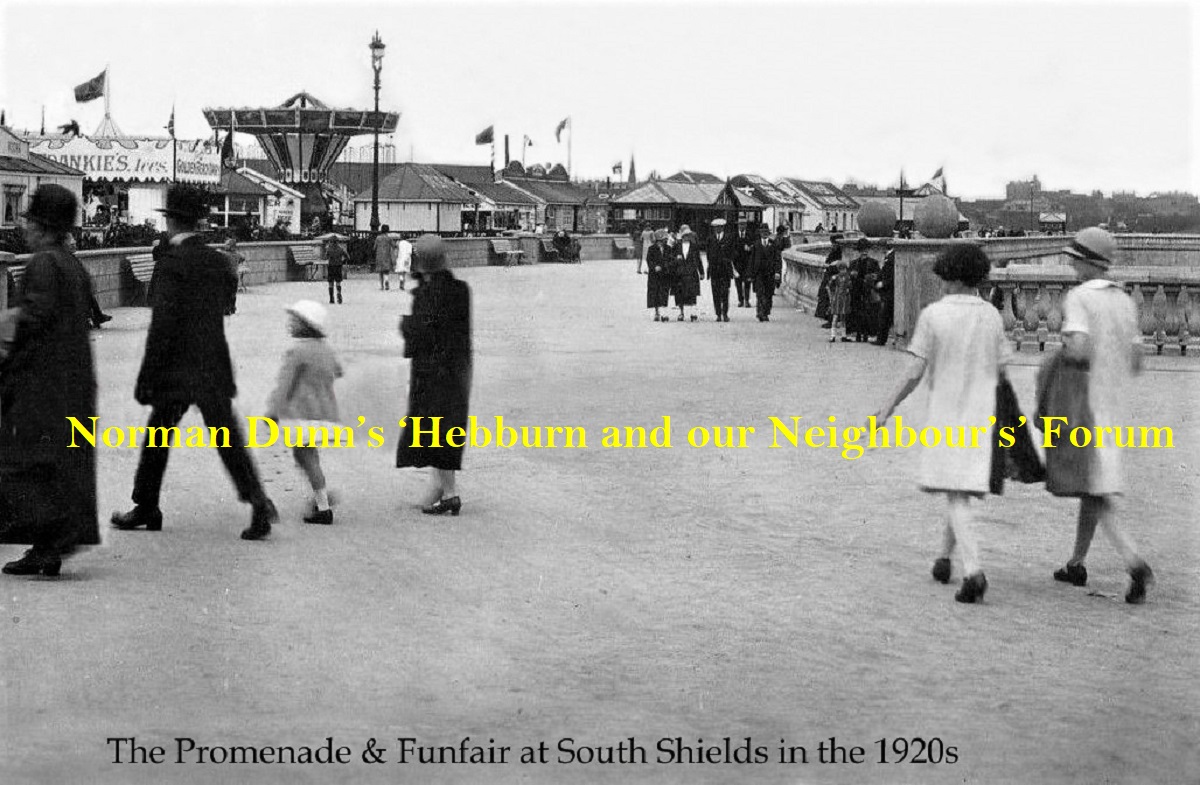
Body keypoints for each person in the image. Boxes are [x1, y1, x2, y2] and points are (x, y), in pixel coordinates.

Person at [111, 185, 278, 540]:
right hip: (211, 362)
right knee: (226, 436)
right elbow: (224, 304)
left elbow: (162, 326)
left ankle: (146, 505)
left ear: (170, 222)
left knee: (158, 434)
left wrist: (147, 375)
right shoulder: (216, 261)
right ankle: (257, 500)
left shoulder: (171, 264)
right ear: (198, 222)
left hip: (176, 368)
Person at [870, 244, 1007, 604]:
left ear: (952, 277)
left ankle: (974, 570)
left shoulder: (934, 315)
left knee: (955, 489)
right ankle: (943, 558)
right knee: (958, 487)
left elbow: (915, 371)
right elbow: (1001, 368)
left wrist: (888, 406)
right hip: (983, 411)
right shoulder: (991, 315)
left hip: (946, 411)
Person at [1044, 227, 1154, 604]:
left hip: (1083, 404)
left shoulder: (1078, 298)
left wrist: (1061, 350)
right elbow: (1137, 360)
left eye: (1076, 260)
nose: (1072, 266)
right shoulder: (1124, 300)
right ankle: (1076, 562)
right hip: (1114, 404)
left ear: (1087, 262)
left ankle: (1134, 561)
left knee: (1098, 491)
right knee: (1096, 487)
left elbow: (1077, 350)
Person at [0, 185, 100, 576]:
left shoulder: (43, 263)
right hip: (71, 379)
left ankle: (49, 541)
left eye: (30, 223)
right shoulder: (70, 263)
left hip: (43, 382)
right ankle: (50, 544)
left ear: (42, 227)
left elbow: (34, 319)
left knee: (28, 461)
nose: (26, 230)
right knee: (57, 464)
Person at [396, 235, 473, 515]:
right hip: (458, 369)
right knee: (447, 427)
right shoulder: (460, 290)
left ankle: (450, 494)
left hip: (431, 372)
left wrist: (405, 326)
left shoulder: (427, 295)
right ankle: (438, 489)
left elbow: (422, 334)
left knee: (433, 429)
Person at [265, 301, 343, 525]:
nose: (290, 324)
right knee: (307, 456)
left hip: (303, 415)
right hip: (326, 414)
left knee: (306, 458)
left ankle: (323, 506)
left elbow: (284, 385)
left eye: (295, 320)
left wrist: (272, 411)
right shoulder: (325, 349)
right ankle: (320, 494)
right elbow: (338, 371)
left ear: (306, 325)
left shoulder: (297, 352)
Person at [65, 233, 113, 328]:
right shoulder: (66, 258)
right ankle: (95, 317)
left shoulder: (70, 257)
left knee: (87, 294)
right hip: (68, 289)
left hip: (74, 287)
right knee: (85, 294)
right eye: (72, 245)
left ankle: (96, 317)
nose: (75, 246)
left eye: (74, 244)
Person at [847, 237, 881, 342]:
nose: (864, 252)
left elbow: (878, 275)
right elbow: (848, 276)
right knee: (857, 311)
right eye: (862, 250)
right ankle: (857, 332)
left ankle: (868, 333)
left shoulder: (874, 262)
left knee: (869, 311)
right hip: (856, 290)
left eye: (866, 249)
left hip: (868, 290)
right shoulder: (853, 263)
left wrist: (872, 277)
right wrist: (852, 275)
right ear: (859, 251)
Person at [747, 224, 781, 322]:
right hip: (759, 274)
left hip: (770, 273)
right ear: (760, 233)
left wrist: (778, 272)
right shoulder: (756, 245)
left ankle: (766, 311)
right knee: (760, 293)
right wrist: (750, 274)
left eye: (766, 232)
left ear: (768, 233)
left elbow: (777, 259)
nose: (764, 234)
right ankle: (761, 312)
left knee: (768, 294)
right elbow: (751, 260)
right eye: (762, 232)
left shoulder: (773, 244)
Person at [672, 225, 704, 322]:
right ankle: (681, 313)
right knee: (680, 294)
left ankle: (692, 313)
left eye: (688, 235)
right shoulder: (677, 246)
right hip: (680, 273)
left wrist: (701, 272)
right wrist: (675, 260)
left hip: (691, 272)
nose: (687, 237)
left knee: (692, 294)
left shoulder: (694, 246)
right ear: (682, 236)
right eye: (685, 235)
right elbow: (671, 258)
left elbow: (698, 260)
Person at [706, 218, 735, 322]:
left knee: (725, 292)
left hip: (725, 269)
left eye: (719, 227)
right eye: (715, 227)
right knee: (715, 292)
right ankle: (718, 314)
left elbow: (732, 253)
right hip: (714, 269)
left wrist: (728, 261)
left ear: (723, 227)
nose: (717, 229)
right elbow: (708, 254)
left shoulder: (729, 238)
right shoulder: (710, 239)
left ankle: (725, 313)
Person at [814, 234, 844, 327]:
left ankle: (831, 321)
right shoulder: (836, 252)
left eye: (834, 243)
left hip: (833, 278)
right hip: (830, 277)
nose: (832, 245)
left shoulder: (838, 253)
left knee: (831, 301)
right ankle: (829, 319)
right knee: (827, 299)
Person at [646, 228, 671, 322]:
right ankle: (657, 312)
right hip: (654, 275)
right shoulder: (651, 249)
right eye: (665, 238)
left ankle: (663, 312)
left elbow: (670, 259)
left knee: (664, 293)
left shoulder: (668, 248)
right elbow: (649, 260)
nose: (666, 240)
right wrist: (654, 267)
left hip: (665, 274)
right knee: (655, 293)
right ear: (659, 239)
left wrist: (666, 266)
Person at [874, 249, 896, 346]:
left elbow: (892, 274)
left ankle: (881, 339)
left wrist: (883, 283)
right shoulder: (891, 255)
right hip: (888, 289)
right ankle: (882, 338)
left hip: (889, 289)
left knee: (885, 315)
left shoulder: (892, 256)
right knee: (885, 315)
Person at [827, 258, 852, 342]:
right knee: (836, 316)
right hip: (838, 299)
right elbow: (830, 287)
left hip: (843, 299)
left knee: (843, 317)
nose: (843, 271)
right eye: (842, 269)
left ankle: (843, 335)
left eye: (844, 269)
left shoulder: (846, 277)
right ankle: (833, 335)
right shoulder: (836, 278)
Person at [732, 219, 754, 308]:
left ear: (746, 225)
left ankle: (747, 300)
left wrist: (750, 248)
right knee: (738, 283)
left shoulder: (750, 235)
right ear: (738, 225)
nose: (742, 226)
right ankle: (740, 300)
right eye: (740, 224)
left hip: (747, 263)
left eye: (743, 224)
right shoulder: (734, 235)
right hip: (737, 263)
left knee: (747, 282)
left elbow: (755, 246)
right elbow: (730, 248)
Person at [221, 237, 245, 315]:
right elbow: (243, 258)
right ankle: (232, 307)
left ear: (231, 246)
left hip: (226, 276)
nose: (225, 245)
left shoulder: (224, 254)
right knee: (232, 293)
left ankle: (226, 308)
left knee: (226, 292)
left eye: (227, 244)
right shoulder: (237, 255)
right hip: (234, 276)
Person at [325, 236, 348, 305]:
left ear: (331, 242)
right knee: (338, 282)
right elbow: (347, 256)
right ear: (338, 242)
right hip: (338, 266)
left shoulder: (329, 249)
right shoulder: (340, 249)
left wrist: (327, 249)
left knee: (330, 283)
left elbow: (325, 257)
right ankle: (338, 292)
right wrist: (343, 261)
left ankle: (331, 298)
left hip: (331, 266)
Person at [374, 224, 395, 290]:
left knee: (380, 272)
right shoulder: (389, 238)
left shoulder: (378, 238)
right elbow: (394, 246)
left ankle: (382, 286)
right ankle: (386, 280)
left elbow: (374, 247)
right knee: (386, 271)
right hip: (387, 256)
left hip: (379, 256)